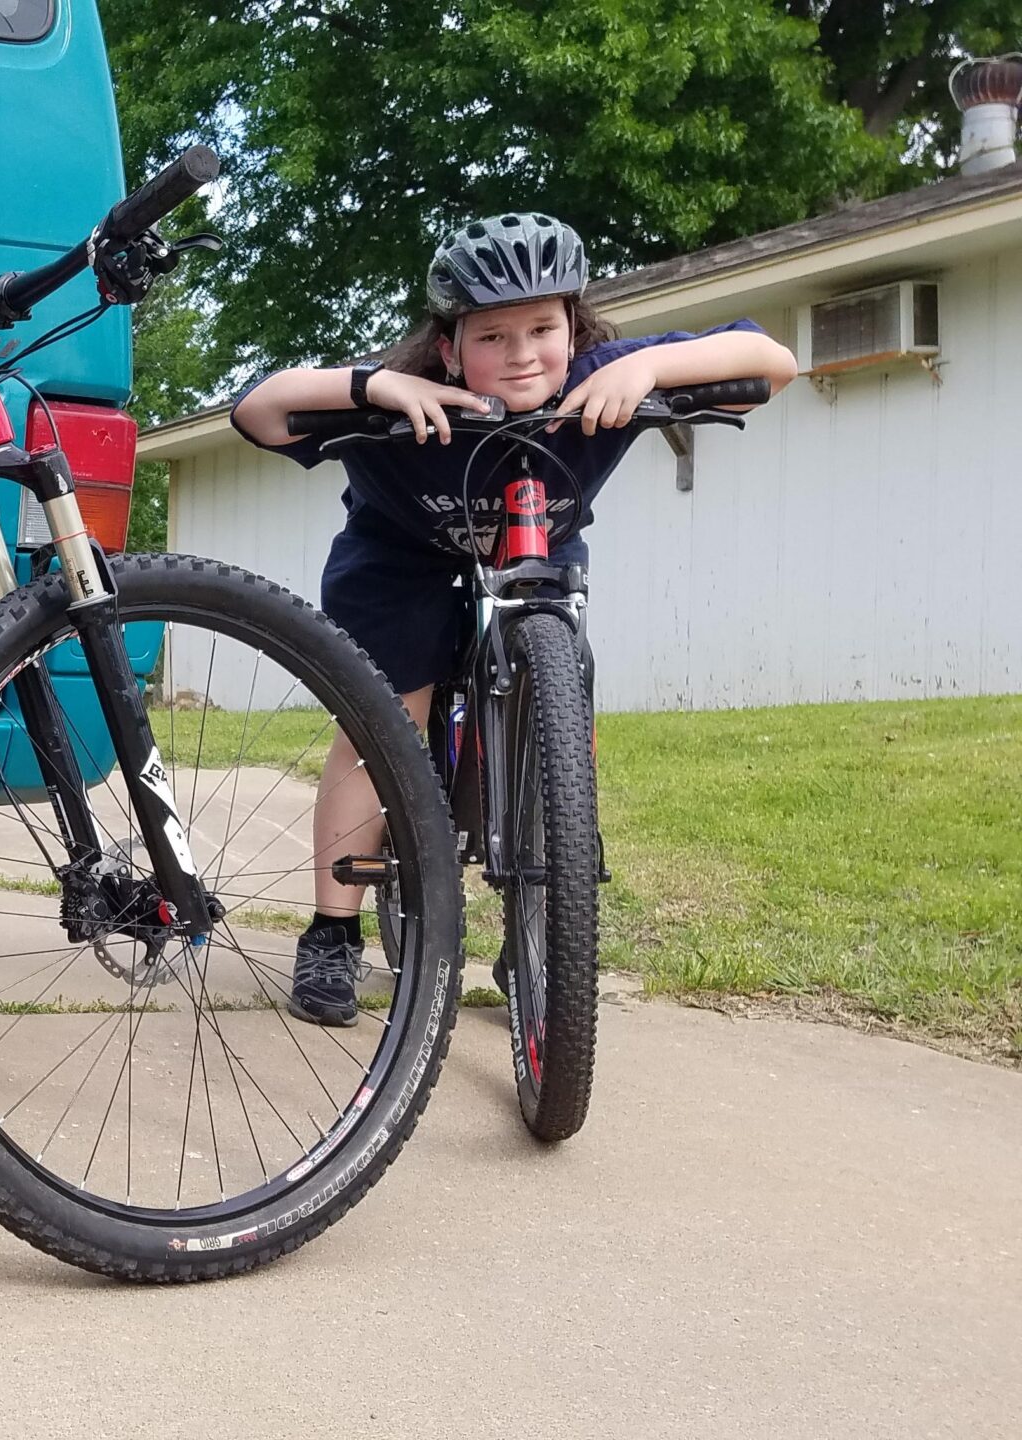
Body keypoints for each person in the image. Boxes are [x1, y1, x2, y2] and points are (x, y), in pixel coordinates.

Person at [226, 213, 798, 1026]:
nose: (523, 352)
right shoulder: (414, 398)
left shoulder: (605, 378)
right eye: (493, 335)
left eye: (542, 327)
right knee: (385, 724)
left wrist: (652, 370)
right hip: (399, 562)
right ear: (451, 348)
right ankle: (333, 933)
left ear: (575, 327)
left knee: (550, 717)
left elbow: (775, 362)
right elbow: (258, 411)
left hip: (536, 561)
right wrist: (375, 388)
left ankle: (536, 917)